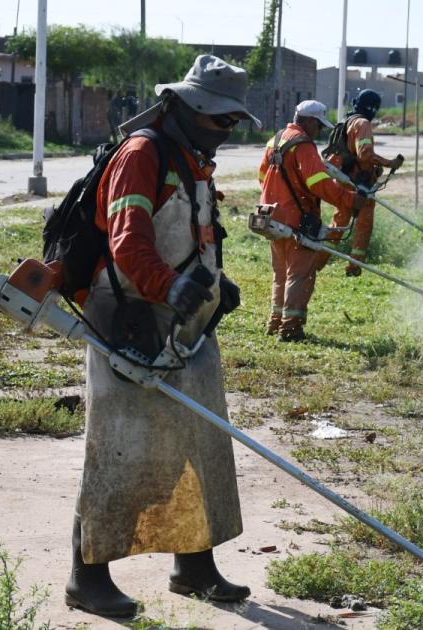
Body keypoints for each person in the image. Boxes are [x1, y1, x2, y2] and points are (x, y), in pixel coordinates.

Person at [68, 55, 255, 618]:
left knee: (198, 441)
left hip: (184, 323)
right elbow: (128, 243)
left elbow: (196, 233)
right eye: (220, 119)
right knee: (117, 449)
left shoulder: (193, 159)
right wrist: (168, 286)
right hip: (130, 321)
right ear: (186, 107)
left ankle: (194, 567)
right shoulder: (142, 155)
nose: (226, 130)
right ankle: (86, 578)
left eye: (233, 121)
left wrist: (216, 282)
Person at [258, 100, 370, 342]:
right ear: (308, 121)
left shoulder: (275, 140)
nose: (319, 131)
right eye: (318, 125)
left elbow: (262, 176)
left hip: (270, 216)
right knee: (301, 274)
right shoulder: (303, 145)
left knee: (281, 273)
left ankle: (275, 321)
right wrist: (350, 200)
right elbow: (318, 183)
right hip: (297, 220)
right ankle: (291, 328)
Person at [324, 89, 405, 276]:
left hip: (344, 182)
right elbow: (365, 154)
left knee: (338, 225)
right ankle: (354, 267)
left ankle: (316, 262)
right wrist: (389, 163)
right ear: (374, 108)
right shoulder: (363, 123)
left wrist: (374, 169)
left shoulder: (347, 121)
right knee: (363, 227)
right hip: (360, 187)